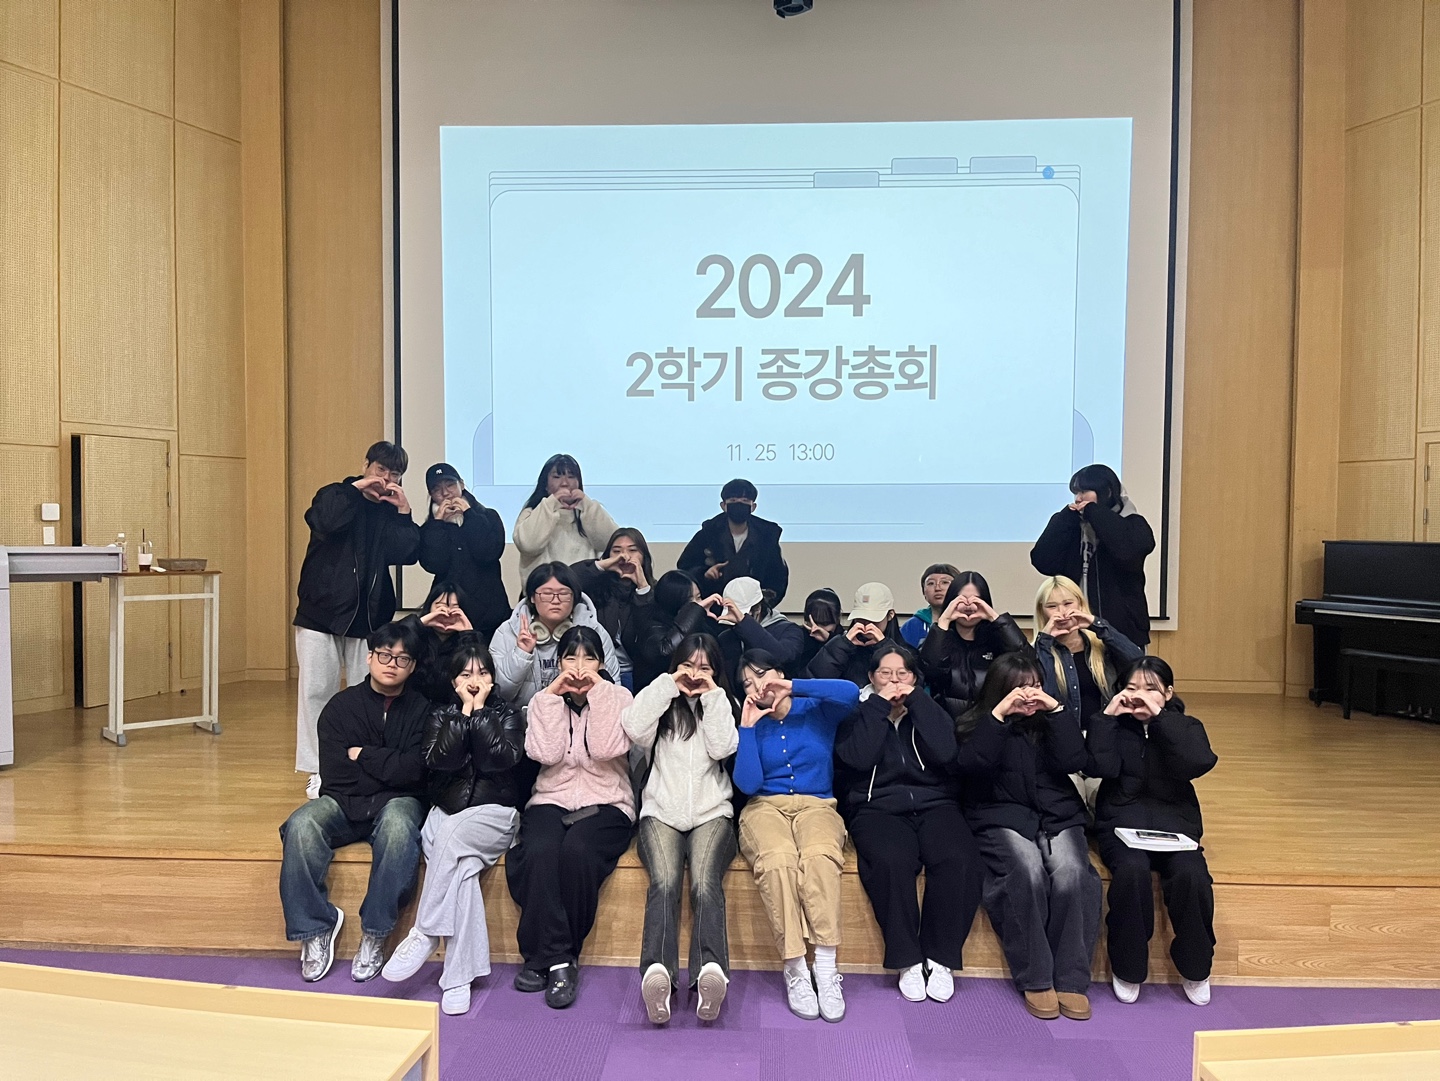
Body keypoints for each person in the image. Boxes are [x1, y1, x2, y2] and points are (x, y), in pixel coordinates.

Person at [380, 640, 532, 1014]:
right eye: (466, 674)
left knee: (449, 836)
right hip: (447, 811)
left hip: (495, 814)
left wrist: (479, 715)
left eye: (482, 673)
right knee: (462, 871)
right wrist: (462, 716)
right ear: (453, 682)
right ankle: (458, 978)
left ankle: (425, 930)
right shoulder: (440, 715)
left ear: (493, 680)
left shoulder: (510, 715)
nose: (474, 680)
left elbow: (500, 760)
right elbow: (439, 761)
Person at [954, 654, 1102, 1022]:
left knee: (1073, 873)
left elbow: (1074, 760)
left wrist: (1056, 711)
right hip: (999, 813)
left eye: (1035, 685)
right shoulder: (975, 722)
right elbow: (973, 767)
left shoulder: (1051, 720)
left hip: (1056, 813)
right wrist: (998, 717)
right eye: (1019, 687)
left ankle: (1071, 978)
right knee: (1027, 872)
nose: (1028, 695)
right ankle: (1036, 976)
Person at [278, 621, 428, 984]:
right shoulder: (340, 707)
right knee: (301, 824)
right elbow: (335, 775)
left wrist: (364, 755)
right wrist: (388, 766)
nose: (392, 664)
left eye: (402, 658)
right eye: (385, 655)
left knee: (398, 826)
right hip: (342, 802)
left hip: (398, 802)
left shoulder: (423, 710)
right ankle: (315, 928)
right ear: (369, 657)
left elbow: (416, 772)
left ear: (412, 666)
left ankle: (376, 933)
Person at [834, 644, 983, 1004]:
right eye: (885, 673)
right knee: (891, 862)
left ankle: (941, 958)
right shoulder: (857, 713)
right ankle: (907, 960)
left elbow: (947, 752)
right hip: (876, 808)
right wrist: (879, 708)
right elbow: (857, 759)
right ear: (871, 678)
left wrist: (916, 702)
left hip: (936, 803)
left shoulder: (928, 707)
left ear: (914, 678)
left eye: (902, 673)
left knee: (959, 859)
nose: (894, 681)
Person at [505, 627, 634, 1008]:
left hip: (607, 801)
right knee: (539, 851)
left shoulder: (619, 698)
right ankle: (559, 959)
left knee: (577, 851)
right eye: (570, 657)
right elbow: (544, 754)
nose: (579, 666)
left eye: (589, 657)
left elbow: (607, 748)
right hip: (552, 797)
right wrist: (550, 697)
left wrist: (599, 692)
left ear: (601, 663)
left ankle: (547, 957)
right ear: (558, 662)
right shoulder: (544, 701)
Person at [733, 650, 859, 1023]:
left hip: (818, 804)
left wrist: (792, 686)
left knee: (819, 856)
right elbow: (748, 784)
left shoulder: (816, 709)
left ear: (780, 673)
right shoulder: (753, 721)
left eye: (762, 675)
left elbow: (850, 693)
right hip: (764, 806)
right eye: (747, 683)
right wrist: (747, 728)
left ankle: (826, 966)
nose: (756, 686)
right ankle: (795, 968)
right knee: (778, 860)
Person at [1085, 656, 1218, 1007]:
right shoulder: (1113, 724)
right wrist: (1107, 719)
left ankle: (1196, 967)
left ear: (1169, 693)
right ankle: (1127, 967)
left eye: (1150, 689)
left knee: (1192, 877)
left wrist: (1160, 720)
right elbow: (1098, 767)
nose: (1139, 696)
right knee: (1131, 873)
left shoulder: (1185, 726)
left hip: (1176, 823)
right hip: (1122, 822)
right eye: (1131, 688)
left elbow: (1197, 762)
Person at [622, 634, 740, 1024]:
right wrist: (667, 684)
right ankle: (658, 974)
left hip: (712, 812)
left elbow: (722, 748)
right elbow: (633, 727)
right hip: (661, 813)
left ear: (716, 672)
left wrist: (712, 694)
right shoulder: (662, 702)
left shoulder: (723, 704)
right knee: (666, 882)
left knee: (705, 882)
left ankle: (710, 972)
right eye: (688, 665)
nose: (694, 674)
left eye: (704, 667)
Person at [293, 441, 420, 798]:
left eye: (395, 474)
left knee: (369, 692)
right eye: (381, 470)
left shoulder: (388, 511)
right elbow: (323, 520)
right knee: (316, 691)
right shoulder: (336, 494)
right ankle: (319, 768)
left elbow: (407, 553)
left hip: (368, 619)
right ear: (366, 465)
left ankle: (363, 761)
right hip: (320, 612)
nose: (387, 479)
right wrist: (355, 490)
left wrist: (404, 512)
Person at [1030, 463, 1155, 648]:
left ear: (1107, 492)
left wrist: (1094, 512)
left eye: (1084, 491)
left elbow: (1127, 552)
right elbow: (1042, 561)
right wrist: (1064, 519)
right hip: (1075, 631)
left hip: (1123, 631)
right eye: (1076, 492)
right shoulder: (1072, 525)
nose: (1078, 498)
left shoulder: (1132, 523)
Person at [489, 562, 620, 712]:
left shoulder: (594, 632)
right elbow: (499, 693)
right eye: (547, 594)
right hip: (521, 718)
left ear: (575, 598)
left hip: (579, 716)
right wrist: (521, 653)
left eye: (564, 594)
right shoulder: (509, 631)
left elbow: (613, 689)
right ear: (532, 597)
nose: (556, 600)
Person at [1032, 576, 1144, 730]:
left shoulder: (1101, 645)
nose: (1062, 613)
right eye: (1052, 606)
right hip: (1062, 736)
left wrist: (1097, 625)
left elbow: (1140, 663)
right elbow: (1046, 695)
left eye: (1068, 604)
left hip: (1106, 733)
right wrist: (1044, 642)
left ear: (1080, 603)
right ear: (1042, 611)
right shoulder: (1038, 651)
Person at [920, 571, 1031, 721]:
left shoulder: (998, 638)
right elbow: (930, 671)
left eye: (976, 600)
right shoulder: (938, 638)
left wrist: (995, 618)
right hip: (945, 724)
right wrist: (944, 621)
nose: (969, 606)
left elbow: (1027, 664)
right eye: (961, 599)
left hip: (992, 724)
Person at [417, 462, 510, 640]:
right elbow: (434, 564)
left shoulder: (488, 516)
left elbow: (488, 553)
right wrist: (438, 524)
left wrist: (469, 514)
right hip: (449, 616)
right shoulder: (430, 528)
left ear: (462, 484)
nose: (445, 493)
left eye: (450, 485)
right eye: (437, 489)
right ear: (431, 495)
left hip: (490, 613)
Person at [678, 478, 790, 605]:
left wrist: (763, 605)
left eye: (745, 501)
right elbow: (685, 567)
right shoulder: (708, 533)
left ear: (753, 507)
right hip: (713, 606)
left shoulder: (767, 537)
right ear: (723, 506)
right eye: (733, 501)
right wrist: (704, 573)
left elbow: (777, 577)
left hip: (755, 608)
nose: (739, 504)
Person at [569, 527, 654, 690]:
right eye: (616, 551)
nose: (624, 557)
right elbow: (568, 580)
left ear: (644, 556)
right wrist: (602, 565)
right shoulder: (596, 588)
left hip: (638, 674)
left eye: (632, 550)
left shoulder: (652, 592)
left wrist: (642, 588)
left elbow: (649, 633)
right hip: (599, 670)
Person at [513, 454, 618, 583]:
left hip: (584, 589)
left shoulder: (589, 512)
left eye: (571, 477)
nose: (565, 483)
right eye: (557, 477)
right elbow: (529, 545)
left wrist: (586, 504)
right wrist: (551, 503)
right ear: (545, 484)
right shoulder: (531, 513)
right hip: (544, 590)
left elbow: (610, 543)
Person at [630, 570, 722, 691]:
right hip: (659, 695)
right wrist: (695, 611)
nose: (698, 604)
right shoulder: (651, 627)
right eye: (690, 600)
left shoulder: (699, 620)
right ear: (673, 602)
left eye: (699, 597)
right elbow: (665, 652)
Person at [804, 582, 901, 686]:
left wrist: (886, 647)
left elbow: (906, 682)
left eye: (874, 619)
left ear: (890, 615)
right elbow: (812, 682)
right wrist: (841, 644)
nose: (867, 624)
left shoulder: (904, 649)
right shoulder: (845, 648)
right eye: (860, 618)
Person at [714, 575, 807, 679]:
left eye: (741, 613)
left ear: (758, 608)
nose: (735, 619)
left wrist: (744, 622)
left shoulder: (789, 630)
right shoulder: (726, 638)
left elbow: (783, 658)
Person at [402, 579, 477, 703]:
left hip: (454, 707)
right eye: (440, 607)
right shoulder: (416, 634)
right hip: (412, 706)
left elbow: (477, 671)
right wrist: (420, 623)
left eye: (455, 608)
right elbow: (390, 640)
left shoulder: (469, 639)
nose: (447, 613)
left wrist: (468, 633)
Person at [899, 563, 960, 648]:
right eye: (931, 583)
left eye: (945, 582)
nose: (938, 588)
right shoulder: (912, 625)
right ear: (924, 592)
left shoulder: (966, 621)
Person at [797, 588, 843, 675]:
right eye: (813, 622)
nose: (817, 628)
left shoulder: (847, 641)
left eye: (825, 623)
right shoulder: (797, 639)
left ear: (838, 618)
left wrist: (830, 640)